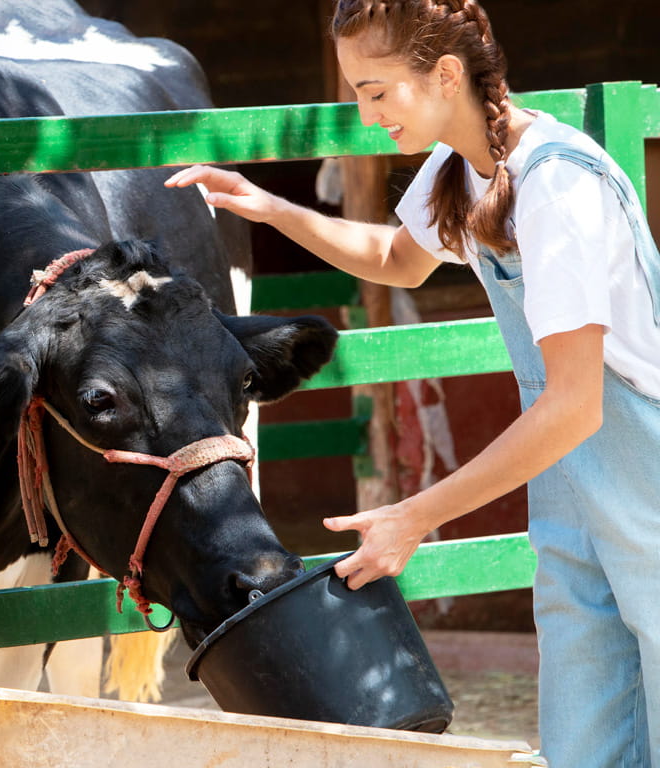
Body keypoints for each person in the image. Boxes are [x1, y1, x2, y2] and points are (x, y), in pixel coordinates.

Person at [165, 1, 660, 765]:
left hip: (639, 470)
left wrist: (415, 516)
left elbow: (575, 403)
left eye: (377, 91)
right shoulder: (464, 168)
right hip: (575, 491)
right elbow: (398, 259)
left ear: (447, 75)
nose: (366, 117)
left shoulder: (557, 186)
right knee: (586, 731)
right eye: (356, 95)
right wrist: (269, 209)